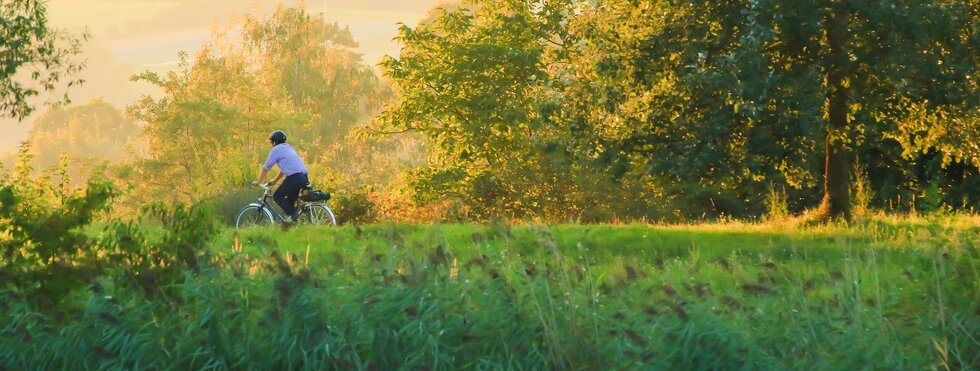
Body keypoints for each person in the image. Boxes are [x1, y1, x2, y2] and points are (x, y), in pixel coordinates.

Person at [253, 130, 309, 224]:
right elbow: (284, 169)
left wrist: (258, 182)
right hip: (304, 176)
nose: (271, 144)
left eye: (271, 142)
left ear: (275, 141)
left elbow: (266, 168)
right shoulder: (289, 148)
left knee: (277, 196)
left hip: (294, 178)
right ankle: (292, 223)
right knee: (290, 201)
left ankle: (295, 216)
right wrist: (275, 180)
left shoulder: (276, 150)